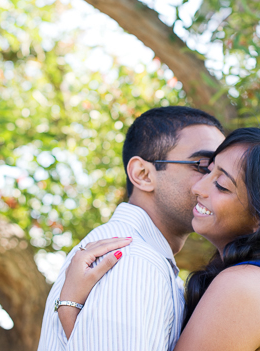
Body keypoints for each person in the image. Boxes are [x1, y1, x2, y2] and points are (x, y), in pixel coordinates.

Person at [58, 128, 260, 351]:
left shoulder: (244, 287)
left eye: (222, 185)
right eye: (206, 170)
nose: (198, 187)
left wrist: (70, 308)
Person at [36, 106, 225, 351]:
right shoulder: (131, 260)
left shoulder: (144, 258)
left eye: (221, 173)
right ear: (143, 174)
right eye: (203, 166)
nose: (215, 183)